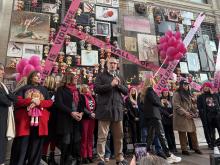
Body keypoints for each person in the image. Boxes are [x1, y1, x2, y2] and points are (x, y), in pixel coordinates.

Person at [10, 71, 53, 165]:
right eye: (36, 76)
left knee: (35, 150)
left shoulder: (44, 89)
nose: (39, 77)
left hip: (39, 124)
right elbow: (17, 101)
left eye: (40, 76)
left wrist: (39, 103)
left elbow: (49, 103)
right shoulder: (23, 88)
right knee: (21, 150)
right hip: (25, 123)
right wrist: (30, 100)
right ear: (31, 77)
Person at [94, 57, 128, 165]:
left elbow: (126, 91)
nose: (113, 65)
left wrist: (118, 85)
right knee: (102, 137)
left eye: (115, 63)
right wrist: (110, 85)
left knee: (119, 136)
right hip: (104, 110)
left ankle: (119, 158)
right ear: (107, 64)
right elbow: (96, 89)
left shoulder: (120, 76)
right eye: (111, 63)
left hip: (117, 110)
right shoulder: (100, 75)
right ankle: (101, 159)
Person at [142, 78, 181, 164]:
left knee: (150, 136)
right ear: (151, 82)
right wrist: (161, 101)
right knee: (161, 135)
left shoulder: (146, 91)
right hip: (154, 115)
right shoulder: (150, 90)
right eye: (154, 81)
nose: (155, 83)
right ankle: (168, 155)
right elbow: (156, 101)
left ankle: (146, 152)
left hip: (152, 116)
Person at [55, 73, 83, 165]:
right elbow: (59, 104)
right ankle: (64, 162)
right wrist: (71, 112)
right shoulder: (61, 89)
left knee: (76, 140)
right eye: (74, 78)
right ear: (68, 78)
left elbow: (81, 104)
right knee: (66, 141)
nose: (76, 79)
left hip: (76, 119)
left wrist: (81, 113)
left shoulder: (76, 90)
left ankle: (76, 160)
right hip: (65, 119)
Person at [172, 80, 202, 155]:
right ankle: (184, 149)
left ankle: (196, 148)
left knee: (193, 132)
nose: (186, 86)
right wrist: (185, 113)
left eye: (187, 85)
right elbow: (176, 106)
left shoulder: (188, 94)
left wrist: (196, 111)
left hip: (188, 116)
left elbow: (191, 105)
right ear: (181, 85)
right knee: (182, 133)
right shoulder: (177, 94)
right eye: (185, 85)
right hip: (181, 117)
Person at [0, 63, 16, 165]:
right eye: (1, 70)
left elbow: (13, 98)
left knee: (2, 140)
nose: (3, 72)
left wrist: (8, 98)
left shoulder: (2, 85)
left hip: (3, 117)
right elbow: (5, 101)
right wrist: (8, 99)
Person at [197, 82, 220, 149]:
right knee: (210, 131)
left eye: (207, 86)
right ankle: (211, 144)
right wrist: (203, 114)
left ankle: (217, 142)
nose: (206, 87)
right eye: (204, 86)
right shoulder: (201, 96)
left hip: (217, 115)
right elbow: (199, 107)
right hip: (208, 116)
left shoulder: (215, 95)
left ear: (210, 87)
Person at [78, 84, 96, 164]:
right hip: (85, 119)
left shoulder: (92, 97)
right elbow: (82, 108)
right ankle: (84, 156)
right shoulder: (81, 96)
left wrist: (94, 113)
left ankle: (90, 155)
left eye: (87, 87)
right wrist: (89, 114)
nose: (87, 89)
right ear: (82, 89)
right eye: (85, 88)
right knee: (84, 137)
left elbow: (95, 107)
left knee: (90, 137)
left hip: (92, 119)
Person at [160, 88, 177, 153]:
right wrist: (168, 114)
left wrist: (172, 113)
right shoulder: (160, 100)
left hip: (171, 118)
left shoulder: (171, 99)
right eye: (164, 92)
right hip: (165, 119)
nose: (166, 93)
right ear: (162, 93)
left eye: (167, 92)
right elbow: (161, 109)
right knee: (167, 134)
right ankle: (171, 147)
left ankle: (174, 147)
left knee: (172, 134)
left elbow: (173, 107)